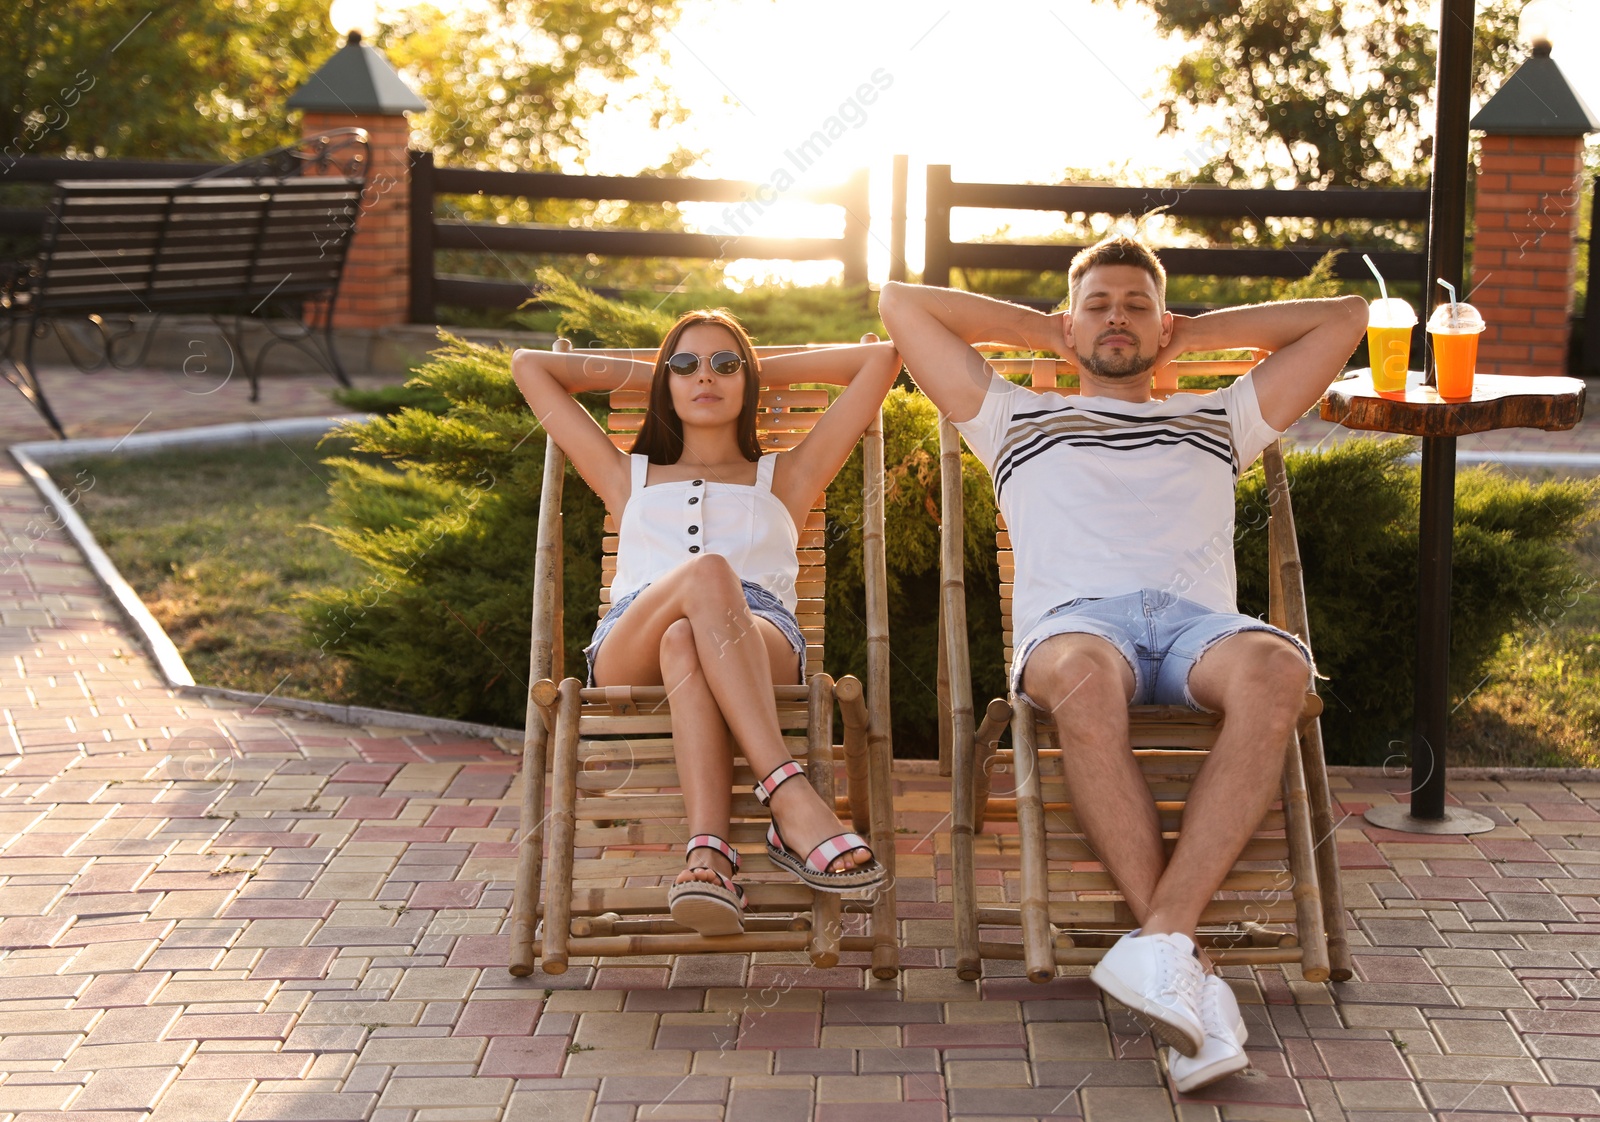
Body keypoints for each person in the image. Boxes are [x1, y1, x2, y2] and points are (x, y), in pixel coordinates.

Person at [879, 236, 1366, 1090]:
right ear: (1070, 324)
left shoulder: (1222, 416)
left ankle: (1161, 949)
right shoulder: (1011, 415)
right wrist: (1049, 329)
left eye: (1137, 305)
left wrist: (1193, 333)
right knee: (1084, 678)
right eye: (1098, 305)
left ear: (1163, 323)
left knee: (1279, 670)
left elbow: (1345, 317)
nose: (1116, 319)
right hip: (1076, 630)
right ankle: (1189, 969)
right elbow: (899, 303)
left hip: (1197, 626)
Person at [511, 311, 899, 938]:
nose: (705, 377)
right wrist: (660, 370)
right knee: (703, 577)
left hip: (759, 632)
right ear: (667, 381)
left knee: (687, 635)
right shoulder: (626, 474)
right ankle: (790, 796)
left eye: (725, 366)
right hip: (632, 636)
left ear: (747, 381)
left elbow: (880, 360)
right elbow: (531, 367)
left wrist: (751, 366)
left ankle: (709, 855)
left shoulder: (788, 474)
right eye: (686, 366)